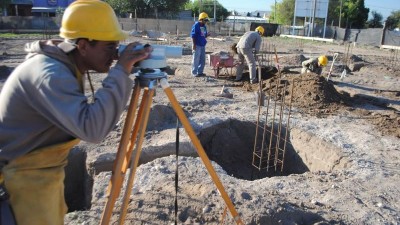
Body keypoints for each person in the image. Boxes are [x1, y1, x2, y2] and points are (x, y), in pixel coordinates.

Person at [0, 0, 152, 224]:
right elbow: (93, 129)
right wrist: (121, 71)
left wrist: (119, 67)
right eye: (109, 47)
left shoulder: (65, 65)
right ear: (82, 45)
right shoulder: (49, 74)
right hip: (14, 189)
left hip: (35, 178)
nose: (115, 54)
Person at [191, 12, 209, 77]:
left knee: (202, 59)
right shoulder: (196, 25)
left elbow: (204, 35)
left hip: (202, 45)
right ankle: (194, 72)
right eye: (205, 20)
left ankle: (200, 72)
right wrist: (194, 45)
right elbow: (193, 35)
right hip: (197, 44)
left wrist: (207, 34)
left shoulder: (204, 26)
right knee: (196, 59)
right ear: (201, 19)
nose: (206, 21)